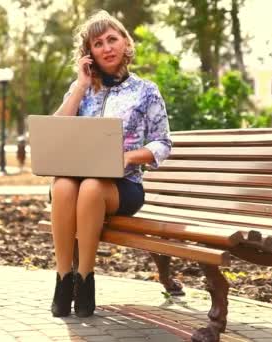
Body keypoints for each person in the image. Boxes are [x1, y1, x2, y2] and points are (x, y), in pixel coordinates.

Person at [49, 10, 172, 318]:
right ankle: (63, 280)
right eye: (98, 43)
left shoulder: (146, 91)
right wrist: (80, 85)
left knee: (91, 188)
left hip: (123, 186)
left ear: (125, 43)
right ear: (89, 53)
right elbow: (56, 130)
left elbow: (162, 143)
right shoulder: (81, 90)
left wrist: (127, 158)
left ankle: (85, 279)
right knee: (62, 185)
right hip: (77, 181)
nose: (107, 47)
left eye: (112, 39)